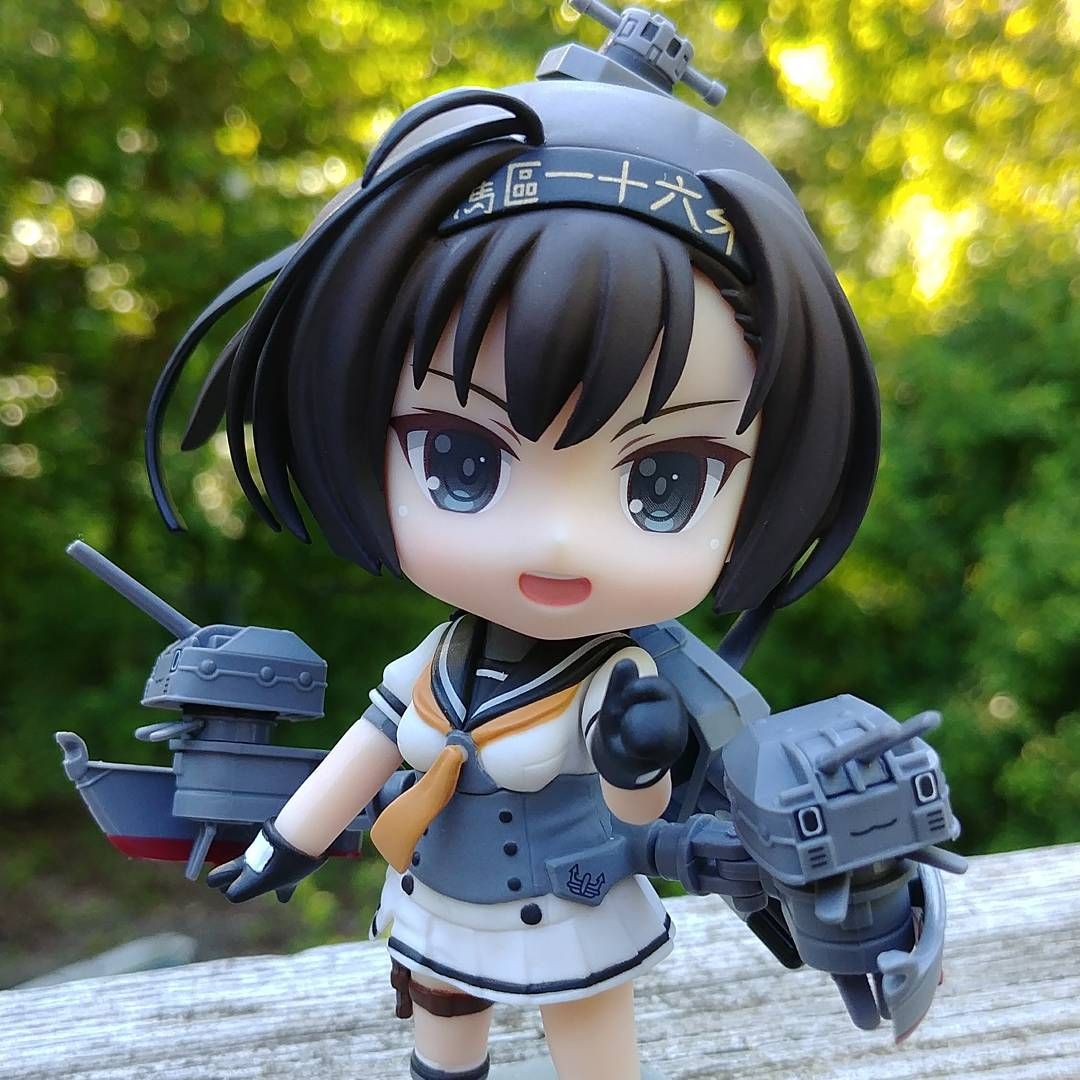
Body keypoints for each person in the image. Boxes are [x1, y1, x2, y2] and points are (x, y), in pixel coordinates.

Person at [145, 10, 879, 1078]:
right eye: (462, 461)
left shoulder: (618, 680)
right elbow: (365, 752)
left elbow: (640, 809)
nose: (560, 539)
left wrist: (635, 755)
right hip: (440, 905)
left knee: (591, 1042)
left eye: (664, 484)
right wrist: (280, 848)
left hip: (570, 914)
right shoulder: (432, 667)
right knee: (443, 1030)